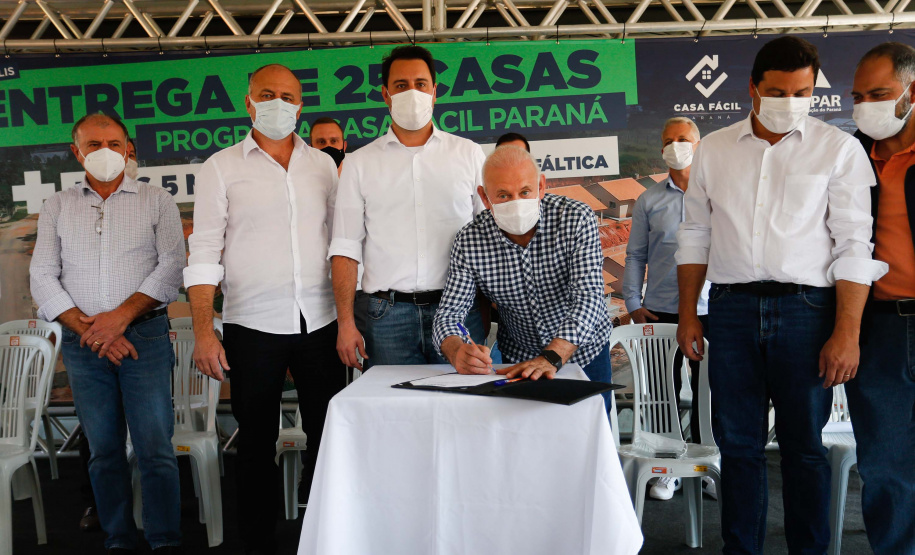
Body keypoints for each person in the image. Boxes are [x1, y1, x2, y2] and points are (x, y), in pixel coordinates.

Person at [675, 36, 887, 554]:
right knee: (738, 446)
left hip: (807, 311)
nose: (790, 102)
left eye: (802, 92)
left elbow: (855, 244)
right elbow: (695, 234)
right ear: (752, 88)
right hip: (730, 308)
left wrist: (847, 332)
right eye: (777, 91)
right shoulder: (714, 150)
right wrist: (687, 313)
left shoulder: (838, 149)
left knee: (804, 448)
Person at [185, 64, 345, 555]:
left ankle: (327, 534)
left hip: (320, 320)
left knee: (327, 434)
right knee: (255, 440)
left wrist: (349, 319)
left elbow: (342, 244)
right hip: (252, 324)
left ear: (301, 105)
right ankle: (257, 541)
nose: (279, 104)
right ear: (248, 102)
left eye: (289, 96)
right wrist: (205, 331)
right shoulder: (220, 167)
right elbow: (204, 251)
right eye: (268, 94)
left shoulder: (323, 166)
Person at [30, 112, 186, 554]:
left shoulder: (157, 200)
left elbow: (172, 266)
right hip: (85, 346)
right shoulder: (57, 206)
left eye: (114, 144)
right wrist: (93, 330)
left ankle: (164, 540)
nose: (105, 152)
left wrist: (119, 319)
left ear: (128, 148)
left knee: (155, 449)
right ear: (76, 152)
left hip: (145, 339)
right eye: (93, 144)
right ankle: (118, 538)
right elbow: (42, 275)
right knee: (103, 450)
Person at [330, 45, 486, 370]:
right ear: (386, 95)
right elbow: (345, 248)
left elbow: (488, 235)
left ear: (435, 92)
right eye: (401, 85)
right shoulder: (359, 163)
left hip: (457, 310)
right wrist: (345, 323)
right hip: (386, 316)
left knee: (464, 398)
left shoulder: (468, 154)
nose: (412, 93)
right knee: (393, 401)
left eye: (420, 84)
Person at [432, 146, 613, 405]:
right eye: (503, 195)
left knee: (590, 428)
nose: (516, 203)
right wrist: (455, 350)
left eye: (525, 192)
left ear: (541, 186)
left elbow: (589, 298)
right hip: (518, 359)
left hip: (584, 355)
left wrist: (551, 356)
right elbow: (449, 313)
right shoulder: (470, 240)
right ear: (485, 197)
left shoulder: (575, 218)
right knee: (523, 430)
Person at [623, 116, 714, 501]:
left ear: (698, 144)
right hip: (660, 309)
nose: (676, 145)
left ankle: (709, 464)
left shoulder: (717, 192)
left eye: (683, 138)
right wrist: (633, 301)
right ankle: (667, 467)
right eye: (668, 140)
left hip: (712, 308)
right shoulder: (649, 200)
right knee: (662, 392)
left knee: (712, 390)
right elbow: (635, 255)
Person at [848, 42, 915, 555]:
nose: (866, 106)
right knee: (886, 466)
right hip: (881, 329)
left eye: (879, 94)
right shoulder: (849, 159)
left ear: (911, 92)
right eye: (858, 96)